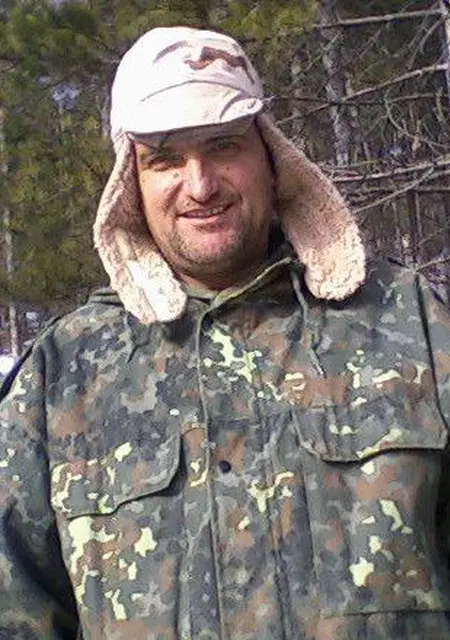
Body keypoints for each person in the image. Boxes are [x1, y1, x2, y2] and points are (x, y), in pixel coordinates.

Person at [1, 25, 450, 640]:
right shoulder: (62, 374)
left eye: (224, 145)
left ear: (271, 155)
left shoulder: (409, 322)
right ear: (130, 184)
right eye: (164, 158)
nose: (201, 185)